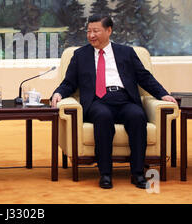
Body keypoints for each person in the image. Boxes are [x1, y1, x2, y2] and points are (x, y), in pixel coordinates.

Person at [51, 15, 177, 189]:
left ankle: (138, 173)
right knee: (102, 117)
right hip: (98, 102)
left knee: (137, 117)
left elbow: (144, 77)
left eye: (96, 31)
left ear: (109, 31)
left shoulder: (126, 52)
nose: (91, 35)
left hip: (124, 99)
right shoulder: (80, 55)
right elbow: (69, 82)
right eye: (88, 31)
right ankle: (105, 174)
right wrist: (58, 93)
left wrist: (163, 94)